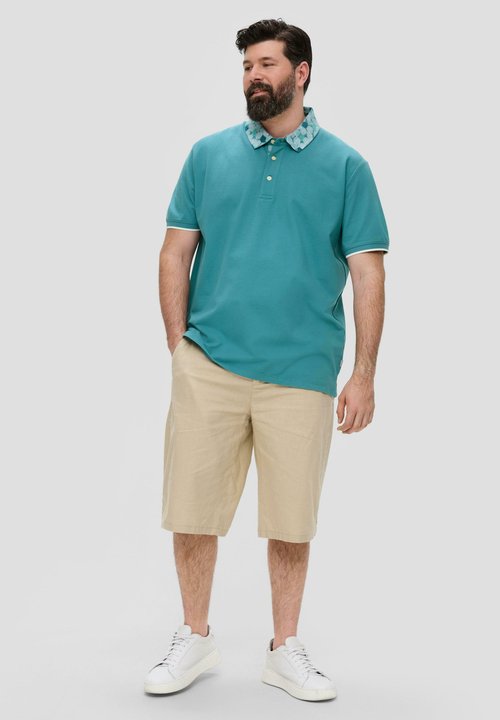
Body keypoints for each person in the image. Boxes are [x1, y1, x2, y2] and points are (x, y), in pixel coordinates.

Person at [144, 18, 390, 702]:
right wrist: (180, 346)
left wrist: (363, 373)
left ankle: (284, 648)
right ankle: (194, 636)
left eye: (267, 64)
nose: (254, 75)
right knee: (192, 510)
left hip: (302, 373)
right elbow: (175, 251)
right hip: (210, 364)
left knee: (290, 521)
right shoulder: (207, 155)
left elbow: (368, 273)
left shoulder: (347, 167)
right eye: (247, 65)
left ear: (300, 73)